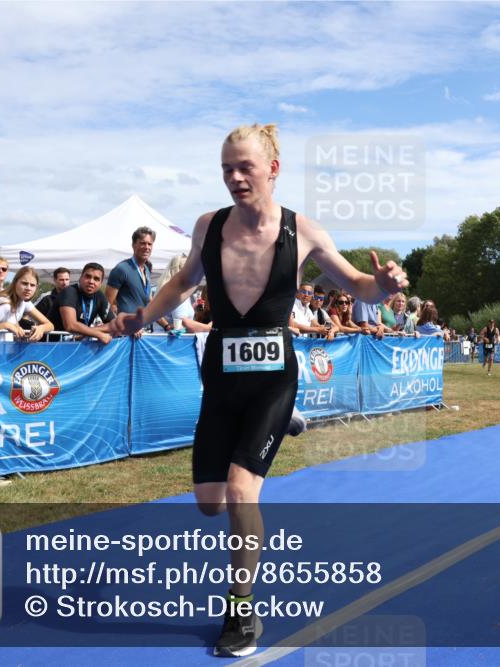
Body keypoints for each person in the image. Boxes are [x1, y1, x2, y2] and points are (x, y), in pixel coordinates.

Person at [108, 123, 408, 658]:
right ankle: (281, 428)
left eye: (245, 166)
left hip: (273, 376)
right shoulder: (210, 226)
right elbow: (182, 283)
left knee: (244, 492)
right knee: (209, 505)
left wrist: (383, 285)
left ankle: (241, 610)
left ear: (273, 168)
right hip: (222, 375)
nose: (234, 177)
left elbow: (355, 284)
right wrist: (140, 317)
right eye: (226, 168)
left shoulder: (304, 230)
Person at [106, 227, 168, 332]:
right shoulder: (122, 269)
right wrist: (125, 328)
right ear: (134, 245)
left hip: (144, 332)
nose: (146, 247)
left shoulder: (147, 270)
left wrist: (166, 326)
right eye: (142, 243)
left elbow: (150, 305)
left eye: (149, 244)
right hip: (127, 334)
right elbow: (107, 306)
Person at [0, 266, 53, 341]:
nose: (28, 288)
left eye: (32, 285)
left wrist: (41, 328)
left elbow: (50, 325)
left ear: (37, 287)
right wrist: (4, 325)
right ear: (15, 283)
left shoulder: (24, 302)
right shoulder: (4, 303)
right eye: (24, 283)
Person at [54, 263, 116, 344]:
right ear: (80, 277)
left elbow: (114, 324)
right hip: (53, 345)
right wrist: (98, 334)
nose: (91, 281)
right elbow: (70, 325)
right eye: (88, 276)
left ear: (101, 283)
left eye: (96, 279)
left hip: (75, 346)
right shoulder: (69, 291)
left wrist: (87, 332)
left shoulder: (99, 296)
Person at [158, 254, 196, 332]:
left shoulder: (171, 289)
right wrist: (209, 327)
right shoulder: (176, 292)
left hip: (168, 338)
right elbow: (183, 323)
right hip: (172, 341)